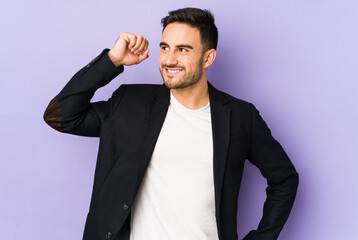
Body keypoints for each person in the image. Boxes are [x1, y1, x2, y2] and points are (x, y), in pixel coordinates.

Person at [44, 7, 298, 240]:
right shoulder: (130, 103)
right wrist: (112, 61)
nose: (169, 59)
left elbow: (284, 179)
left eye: (183, 49)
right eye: (165, 47)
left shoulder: (241, 117)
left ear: (208, 58)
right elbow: (60, 115)